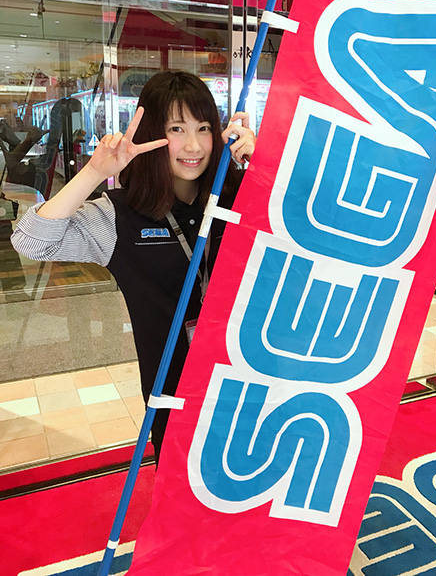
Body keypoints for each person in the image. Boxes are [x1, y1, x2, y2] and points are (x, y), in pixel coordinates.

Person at [11, 71, 257, 464]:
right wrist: (94, 171)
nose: (193, 145)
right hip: (175, 397)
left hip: (256, 384)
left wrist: (263, 165)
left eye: (204, 128)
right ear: (152, 135)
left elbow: (323, 229)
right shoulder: (121, 215)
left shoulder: (243, 197)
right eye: (176, 129)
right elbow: (31, 241)